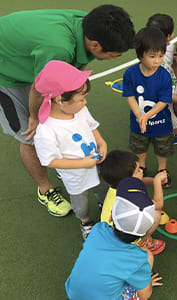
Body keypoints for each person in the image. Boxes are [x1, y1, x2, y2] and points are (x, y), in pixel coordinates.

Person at [0, 5, 135, 217]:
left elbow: (71, 72)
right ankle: (45, 189)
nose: (114, 59)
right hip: (7, 71)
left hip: (34, 57)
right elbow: (39, 86)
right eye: (113, 55)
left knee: (58, 116)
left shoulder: (89, 27)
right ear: (95, 44)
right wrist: (35, 117)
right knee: (30, 135)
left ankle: (64, 164)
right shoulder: (59, 49)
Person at [33, 61, 108, 240]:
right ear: (60, 100)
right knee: (80, 203)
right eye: (81, 98)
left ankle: (105, 208)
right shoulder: (47, 130)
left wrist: (102, 143)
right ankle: (86, 222)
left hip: (96, 164)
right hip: (75, 176)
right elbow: (49, 161)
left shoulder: (80, 110)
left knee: (103, 188)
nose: (85, 102)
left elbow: (91, 127)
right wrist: (82, 163)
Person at [65, 177, 163, 300]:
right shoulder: (137, 259)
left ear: (111, 217)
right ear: (144, 233)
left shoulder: (98, 229)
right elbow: (145, 295)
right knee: (148, 255)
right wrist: (146, 283)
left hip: (73, 294)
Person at [123, 26, 173, 188]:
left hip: (161, 124)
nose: (157, 60)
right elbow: (130, 96)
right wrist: (139, 115)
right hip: (138, 123)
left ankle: (162, 170)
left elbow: (163, 101)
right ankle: (142, 167)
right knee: (140, 146)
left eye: (160, 55)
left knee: (162, 148)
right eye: (152, 56)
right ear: (140, 54)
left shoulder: (164, 75)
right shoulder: (130, 74)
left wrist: (147, 115)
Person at [100, 149, 167, 255]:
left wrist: (154, 180)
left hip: (110, 230)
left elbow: (139, 182)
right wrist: (158, 182)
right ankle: (141, 242)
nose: (141, 170)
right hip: (122, 236)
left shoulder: (117, 185)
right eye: (137, 171)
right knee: (156, 214)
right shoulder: (130, 198)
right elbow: (158, 204)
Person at [146, 13, 177, 145]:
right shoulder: (170, 47)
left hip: (166, 89)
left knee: (167, 112)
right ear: (170, 35)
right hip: (171, 85)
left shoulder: (155, 51)